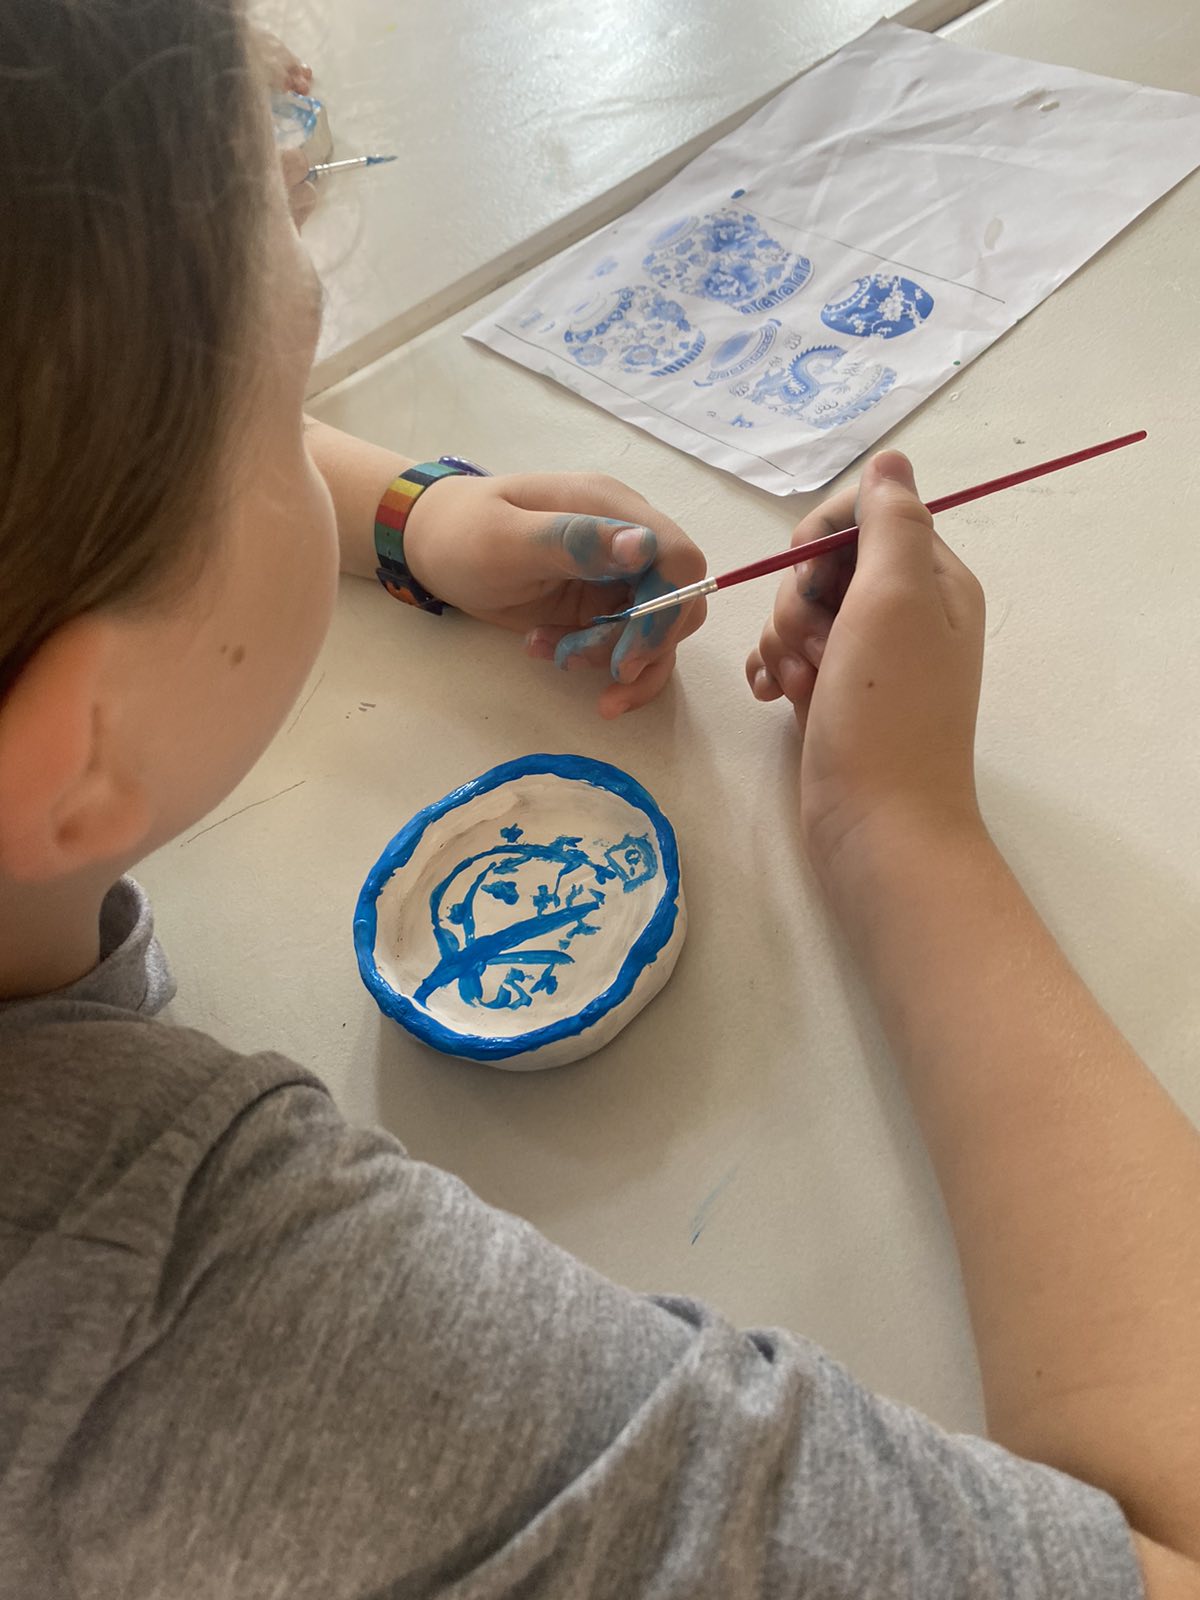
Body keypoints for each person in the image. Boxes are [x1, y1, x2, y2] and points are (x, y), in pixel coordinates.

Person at [1, 3, 1197, 1596]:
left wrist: (411, 520)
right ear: (82, 757)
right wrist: (900, 826)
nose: (314, 438)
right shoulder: (205, 1351)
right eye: (287, 402)